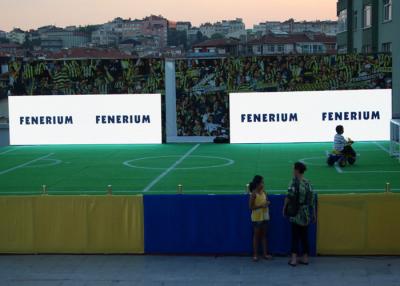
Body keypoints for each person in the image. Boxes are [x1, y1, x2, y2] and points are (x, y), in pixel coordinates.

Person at [283, 162, 316, 267]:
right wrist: (314, 214)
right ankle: (305, 258)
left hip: (296, 213)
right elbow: (311, 200)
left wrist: (284, 208)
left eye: (293, 169)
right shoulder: (308, 183)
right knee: (304, 236)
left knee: (295, 236)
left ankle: (294, 259)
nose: (292, 171)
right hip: (305, 213)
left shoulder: (293, 182)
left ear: (297, 170)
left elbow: (289, 196)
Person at [249, 175, 272, 262]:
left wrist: (267, 203)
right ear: (257, 184)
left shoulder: (264, 192)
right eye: (262, 182)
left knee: (264, 235)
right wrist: (261, 206)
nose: (263, 184)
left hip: (265, 216)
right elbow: (250, 207)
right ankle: (255, 255)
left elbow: (266, 201)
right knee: (256, 236)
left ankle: (265, 254)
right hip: (257, 218)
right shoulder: (254, 194)